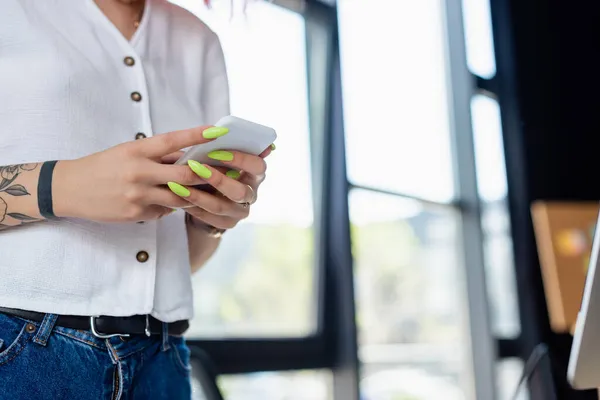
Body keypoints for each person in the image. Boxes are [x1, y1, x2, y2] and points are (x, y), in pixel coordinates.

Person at [0, 0, 272, 398]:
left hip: (162, 358)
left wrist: (210, 219)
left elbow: (183, 259)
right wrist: (63, 185)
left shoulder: (199, 40)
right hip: (20, 350)